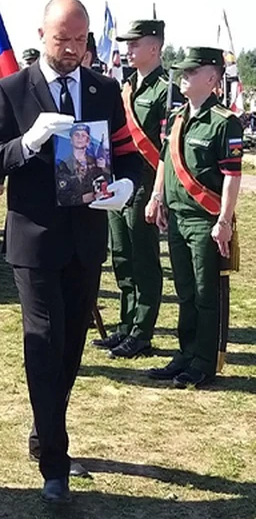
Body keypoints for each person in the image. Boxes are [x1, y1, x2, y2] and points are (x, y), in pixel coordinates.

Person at [0, 0, 140, 505]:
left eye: (80, 40)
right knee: (43, 341)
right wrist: (28, 142)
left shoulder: (104, 90)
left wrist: (127, 188)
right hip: (34, 240)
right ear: (42, 35)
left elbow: (130, 156)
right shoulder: (11, 90)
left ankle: (45, 428)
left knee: (69, 348)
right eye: (62, 39)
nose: (71, 50)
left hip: (86, 240)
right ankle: (55, 463)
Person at [145, 47, 243, 388]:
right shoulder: (176, 118)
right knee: (185, 291)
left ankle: (204, 361)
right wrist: (158, 197)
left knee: (205, 293)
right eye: (182, 71)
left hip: (205, 220)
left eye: (191, 72)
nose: (183, 77)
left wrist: (225, 221)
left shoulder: (224, 121)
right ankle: (186, 354)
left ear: (212, 78)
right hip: (176, 217)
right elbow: (163, 161)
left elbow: (232, 174)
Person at [97, 20, 176, 359]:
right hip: (121, 184)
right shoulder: (126, 86)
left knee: (144, 260)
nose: (127, 50)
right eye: (126, 44)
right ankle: (126, 325)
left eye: (135, 44)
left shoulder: (166, 89)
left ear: (155, 48)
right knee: (122, 257)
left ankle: (142, 332)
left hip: (146, 183)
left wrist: (158, 195)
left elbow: (167, 150)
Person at [54, 123, 110, 206]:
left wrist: (104, 168)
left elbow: (108, 184)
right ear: (71, 140)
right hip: (69, 212)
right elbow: (62, 197)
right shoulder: (63, 165)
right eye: (76, 135)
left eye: (83, 135)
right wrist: (87, 197)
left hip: (98, 210)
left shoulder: (96, 162)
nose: (80, 138)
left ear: (88, 141)